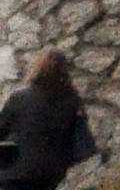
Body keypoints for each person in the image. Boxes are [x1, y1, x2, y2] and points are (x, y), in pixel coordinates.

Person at [0, 51, 96, 190]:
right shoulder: (73, 101)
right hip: (51, 175)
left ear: (36, 69)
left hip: (16, 173)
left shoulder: (20, 98)